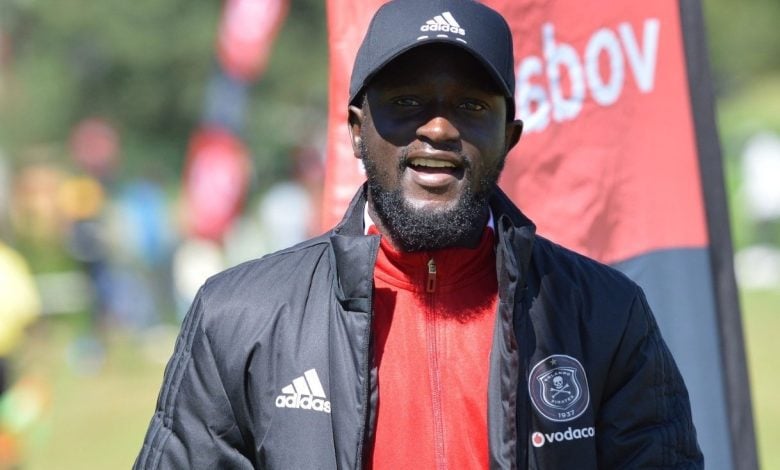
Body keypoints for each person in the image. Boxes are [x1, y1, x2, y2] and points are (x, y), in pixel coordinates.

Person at [134, 0, 703, 468]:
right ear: (357, 130)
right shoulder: (237, 316)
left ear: (510, 136)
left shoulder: (605, 312)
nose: (437, 128)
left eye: (470, 105)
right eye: (406, 103)